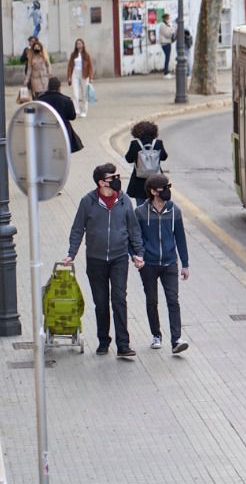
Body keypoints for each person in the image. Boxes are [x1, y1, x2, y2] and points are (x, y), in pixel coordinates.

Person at [63, 164, 145, 358]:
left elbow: (133, 229)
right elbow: (77, 229)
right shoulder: (88, 202)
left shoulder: (124, 200)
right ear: (101, 183)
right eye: (112, 177)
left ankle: (123, 345)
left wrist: (138, 253)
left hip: (119, 258)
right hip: (95, 260)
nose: (117, 180)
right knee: (101, 302)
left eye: (117, 176)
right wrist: (71, 253)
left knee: (119, 299)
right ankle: (103, 341)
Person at [135, 174, 190, 354]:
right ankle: (156, 335)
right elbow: (136, 238)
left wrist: (185, 264)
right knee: (152, 301)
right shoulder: (140, 213)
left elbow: (180, 238)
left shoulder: (175, 211)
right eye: (163, 188)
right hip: (148, 264)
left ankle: (176, 340)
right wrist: (138, 256)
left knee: (173, 300)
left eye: (168, 187)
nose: (167, 191)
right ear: (153, 192)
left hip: (169, 263)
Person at [125, 121, 168, 207]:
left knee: (140, 206)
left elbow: (128, 159)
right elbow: (164, 157)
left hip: (138, 180)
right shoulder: (158, 143)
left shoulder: (135, 144)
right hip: (156, 180)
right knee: (156, 205)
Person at [37, 77, 83, 153]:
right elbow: (72, 117)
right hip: (63, 131)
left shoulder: (40, 100)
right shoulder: (67, 101)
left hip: (45, 130)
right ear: (59, 87)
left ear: (48, 87)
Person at [67, 38, 95, 118]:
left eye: (80, 43)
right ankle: (77, 110)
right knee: (75, 93)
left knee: (84, 94)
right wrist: (69, 76)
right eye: (77, 43)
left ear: (83, 44)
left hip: (84, 74)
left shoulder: (86, 55)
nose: (78, 45)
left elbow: (90, 66)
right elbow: (70, 66)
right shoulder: (73, 54)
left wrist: (91, 77)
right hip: (75, 74)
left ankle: (84, 111)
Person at [159, 13, 175, 79]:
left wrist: (171, 29)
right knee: (167, 57)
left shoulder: (166, 24)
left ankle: (167, 72)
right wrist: (172, 31)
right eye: (168, 17)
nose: (169, 18)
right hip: (165, 43)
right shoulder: (163, 25)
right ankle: (166, 73)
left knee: (167, 57)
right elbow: (167, 34)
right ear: (165, 18)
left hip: (167, 42)